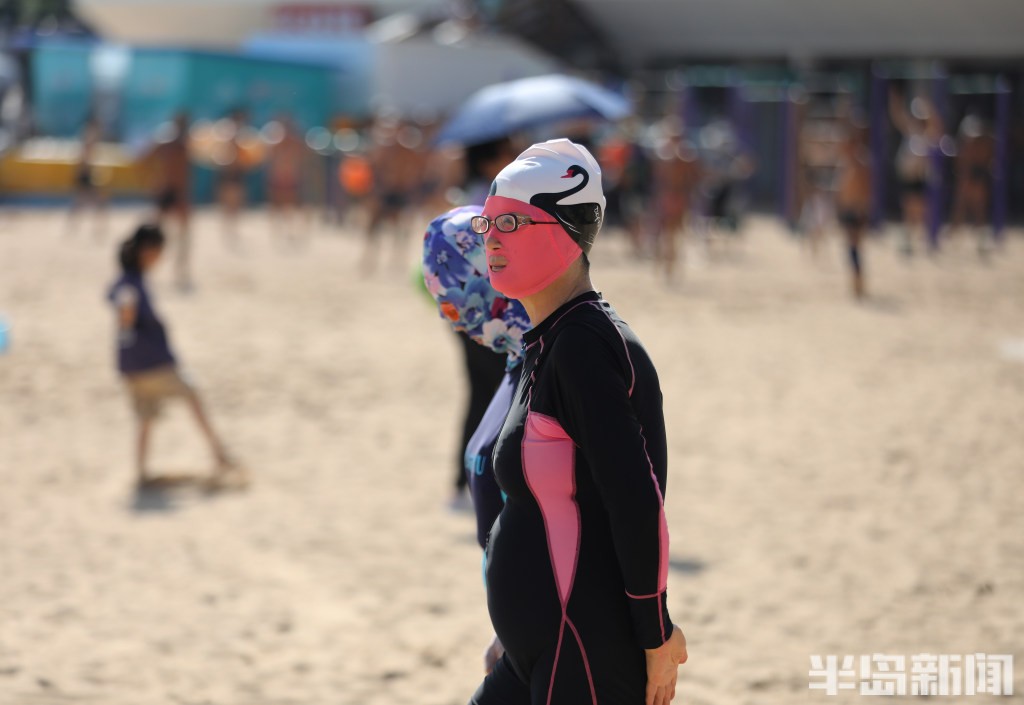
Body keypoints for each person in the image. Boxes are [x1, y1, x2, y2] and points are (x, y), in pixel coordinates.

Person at [469, 139, 688, 705]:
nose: (492, 237)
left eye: (511, 222)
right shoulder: (548, 340)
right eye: (487, 222)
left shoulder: (584, 347)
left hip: (584, 655)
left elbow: (636, 500)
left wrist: (656, 632)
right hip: (535, 654)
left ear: (567, 230)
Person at [422, 204, 533, 669]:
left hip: (548, 630)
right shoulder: (517, 361)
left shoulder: (552, 367)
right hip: (519, 631)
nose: (449, 317)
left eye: (451, 299)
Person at [107, 224, 240, 489]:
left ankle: (142, 470)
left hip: (131, 365)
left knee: (145, 417)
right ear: (148, 251)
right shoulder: (130, 284)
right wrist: (128, 324)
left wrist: (127, 336)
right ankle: (219, 455)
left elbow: (123, 311)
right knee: (192, 395)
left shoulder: (129, 280)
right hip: (152, 363)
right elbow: (125, 305)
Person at [144, 112, 194, 290]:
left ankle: (180, 269)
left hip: (178, 192)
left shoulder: (184, 145)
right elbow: (145, 159)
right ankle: (147, 266)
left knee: (183, 235)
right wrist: (154, 180)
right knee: (156, 233)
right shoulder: (168, 143)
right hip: (169, 192)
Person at [835, 122, 872, 300]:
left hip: (856, 209)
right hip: (847, 209)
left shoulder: (860, 163)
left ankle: (858, 282)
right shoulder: (846, 163)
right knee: (851, 247)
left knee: (854, 247)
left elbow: (866, 190)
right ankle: (856, 281)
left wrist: (863, 209)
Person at [67, 116, 107, 240]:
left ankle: (74, 227)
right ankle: (97, 229)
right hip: (86, 177)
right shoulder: (89, 141)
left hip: (85, 176)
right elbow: (85, 162)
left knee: (80, 204)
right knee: (96, 203)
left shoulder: (87, 140)